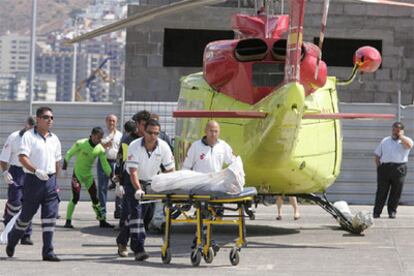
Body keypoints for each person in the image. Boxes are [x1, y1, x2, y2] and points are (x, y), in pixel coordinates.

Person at [6, 107, 62, 261]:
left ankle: (48, 251)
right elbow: (23, 157)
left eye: (52, 117)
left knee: (50, 217)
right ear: (37, 119)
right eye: (46, 117)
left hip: (50, 182)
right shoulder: (29, 136)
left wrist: (56, 181)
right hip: (33, 181)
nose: (49, 120)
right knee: (26, 217)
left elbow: (58, 161)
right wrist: (36, 170)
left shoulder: (54, 138)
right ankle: (12, 239)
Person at [117, 119, 174, 261]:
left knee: (143, 216)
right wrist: (138, 189)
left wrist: (171, 186)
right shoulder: (134, 146)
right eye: (150, 132)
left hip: (151, 181)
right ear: (144, 132)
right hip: (132, 181)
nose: (153, 136)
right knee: (136, 214)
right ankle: (139, 249)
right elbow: (133, 172)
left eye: (156, 133)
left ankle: (122, 241)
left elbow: (170, 170)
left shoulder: (164, 146)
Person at [182, 120, 235, 252]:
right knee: (205, 214)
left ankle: (199, 239)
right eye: (211, 131)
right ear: (205, 131)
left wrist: (233, 181)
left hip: (217, 186)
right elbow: (186, 167)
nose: (213, 134)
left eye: (216, 131)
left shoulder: (223, 146)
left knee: (213, 215)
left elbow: (233, 163)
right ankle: (206, 240)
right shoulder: (195, 146)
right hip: (200, 187)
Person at [62, 127, 114, 228]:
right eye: (98, 138)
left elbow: (105, 165)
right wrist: (64, 168)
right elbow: (69, 153)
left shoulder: (100, 149)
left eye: (101, 138)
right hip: (78, 174)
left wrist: (112, 176)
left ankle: (102, 221)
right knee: (75, 197)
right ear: (92, 135)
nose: (100, 140)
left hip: (88, 175)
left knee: (95, 199)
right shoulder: (81, 143)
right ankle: (68, 221)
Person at [0, 116, 35, 245]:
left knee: (29, 203)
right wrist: (5, 172)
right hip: (17, 171)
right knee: (15, 202)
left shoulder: (38, 139)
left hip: (31, 172)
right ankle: (9, 226)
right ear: (26, 125)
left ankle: (26, 234)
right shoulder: (14, 137)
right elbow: (3, 158)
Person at [373, 122, 413, 219]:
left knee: (396, 191)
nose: (395, 133)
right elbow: (377, 155)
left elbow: (408, 146)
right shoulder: (385, 140)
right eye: (394, 130)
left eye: (398, 131)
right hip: (385, 168)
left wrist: (401, 137)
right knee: (381, 191)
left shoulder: (406, 141)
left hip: (399, 168)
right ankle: (377, 212)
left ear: (402, 131)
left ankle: (392, 212)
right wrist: (379, 167)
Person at [97, 114, 122, 220]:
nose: (111, 123)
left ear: (117, 122)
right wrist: (104, 145)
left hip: (116, 163)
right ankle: (102, 214)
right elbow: (95, 146)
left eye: (113, 121)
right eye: (109, 121)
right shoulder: (101, 134)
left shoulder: (120, 135)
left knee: (118, 187)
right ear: (106, 122)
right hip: (104, 162)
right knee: (102, 188)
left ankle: (119, 212)